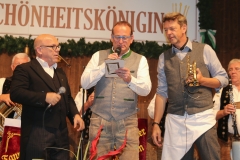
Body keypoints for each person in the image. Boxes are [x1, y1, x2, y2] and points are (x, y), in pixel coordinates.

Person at [151, 12, 228, 160]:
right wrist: (155, 123)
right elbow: (161, 93)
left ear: (184, 28)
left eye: (172, 28)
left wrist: (203, 80)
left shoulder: (205, 50)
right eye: (166, 30)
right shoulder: (163, 58)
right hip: (176, 121)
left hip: (203, 118)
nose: (168, 33)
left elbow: (223, 78)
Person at [81, 21, 151, 159]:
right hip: (99, 119)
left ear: (132, 39)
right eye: (117, 37)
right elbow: (84, 83)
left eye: (124, 37)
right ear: (111, 38)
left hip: (127, 120)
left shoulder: (140, 59)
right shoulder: (98, 56)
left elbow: (146, 90)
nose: (120, 41)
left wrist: (130, 79)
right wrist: (103, 66)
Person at [10, 34, 85, 160]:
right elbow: (16, 93)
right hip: (37, 131)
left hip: (61, 133)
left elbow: (67, 98)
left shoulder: (60, 72)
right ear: (39, 50)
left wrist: (75, 115)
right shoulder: (26, 69)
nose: (58, 50)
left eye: (58, 46)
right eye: (53, 47)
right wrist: (43, 97)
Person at [215, 59, 240, 159]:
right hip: (226, 141)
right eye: (230, 69)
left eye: (237, 69)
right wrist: (223, 112)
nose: (233, 72)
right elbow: (212, 114)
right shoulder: (222, 91)